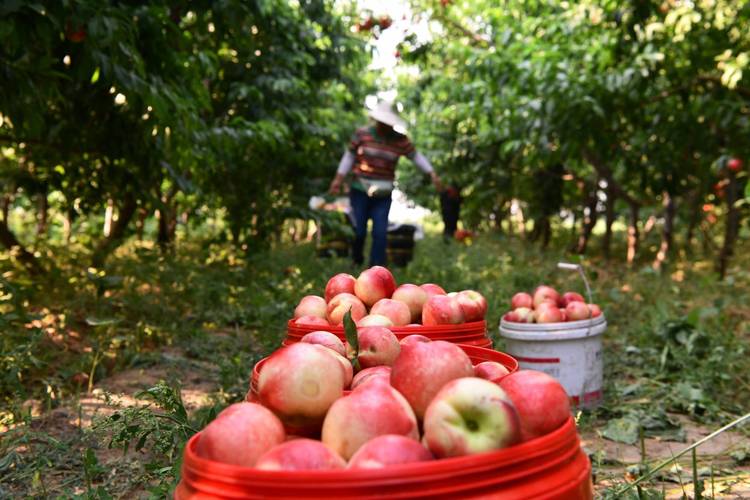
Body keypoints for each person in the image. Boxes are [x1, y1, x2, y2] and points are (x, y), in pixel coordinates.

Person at [329, 100, 442, 266]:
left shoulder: (401, 140)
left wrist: (432, 173)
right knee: (358, 230)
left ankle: (376, 268)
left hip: (383, 194)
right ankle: (356, 259)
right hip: (360, 189)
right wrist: (338, 180)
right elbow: (349, 156)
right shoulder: (362, 134)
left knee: (380, 232)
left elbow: (416, 157)